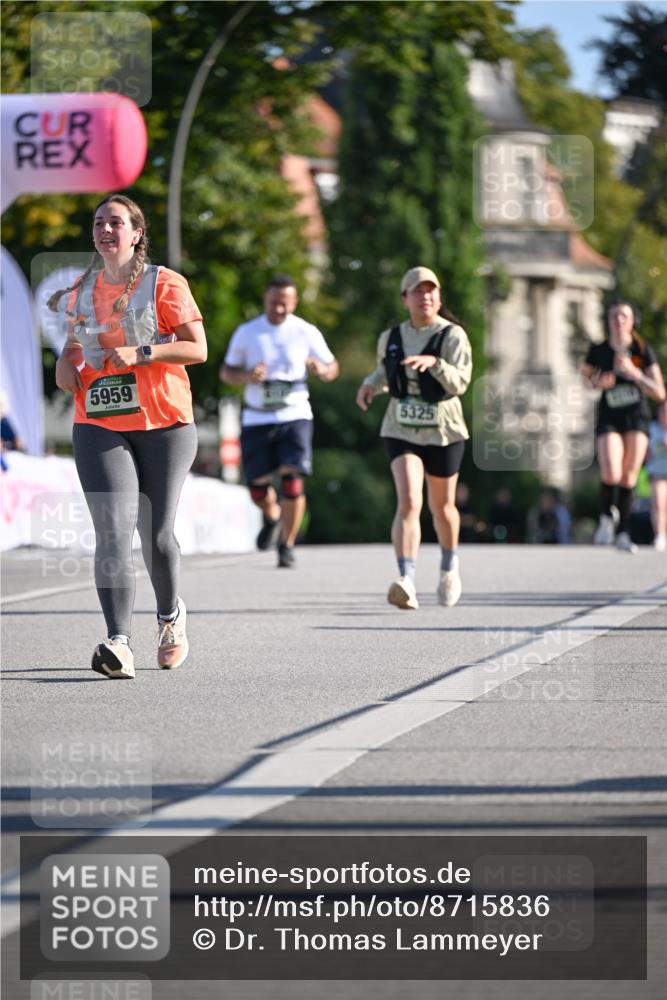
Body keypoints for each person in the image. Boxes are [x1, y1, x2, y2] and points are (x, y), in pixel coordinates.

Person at [52, 193, 207, 679]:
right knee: (113, 534)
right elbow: (72, 350)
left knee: (156, 537)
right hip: (99, 423)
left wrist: (143, 354)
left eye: (116, 222)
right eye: (99, 222)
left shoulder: (165, 283)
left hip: (164, 423)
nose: (105, 230)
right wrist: (65, 367)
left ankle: (169, 617)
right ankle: (118, 641)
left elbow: (197, 348)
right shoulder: (79, 292)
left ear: (136, 233)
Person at [356, 266, 472, 609]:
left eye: (431, 290)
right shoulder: (391, 337)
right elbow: (384, 371)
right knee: (409, 501)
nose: (426, 297)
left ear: (439, 296)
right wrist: (369, 385)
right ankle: (406, 579)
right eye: (418, 291)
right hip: (401, 426)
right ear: (405, 298)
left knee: (443, 507)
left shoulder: (453, 336)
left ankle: (449, 567)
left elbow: (461, 383)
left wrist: (435, 363)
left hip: (444, 428)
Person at [221, 275, 338, 567]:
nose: (279, 310)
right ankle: (272, 515)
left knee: (292, 482)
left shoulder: (305, 331)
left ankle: (286, 544)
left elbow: (332, 366)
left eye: (285, 304)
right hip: (257, 417)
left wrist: (322, 369)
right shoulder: (248, 332)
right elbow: (227, 372)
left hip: (294, 414)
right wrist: (248, 376)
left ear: (294, 302)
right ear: (266, 300)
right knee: (258, 488)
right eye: (274, 303)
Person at [581, 302, 665, 554]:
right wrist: (597, 382)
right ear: (608, 320)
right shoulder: (598, 350)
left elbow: (660, 392)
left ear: (632, 321)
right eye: (614, 315)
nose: (619, 320)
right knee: (610, 471)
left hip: (636, 418)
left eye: (624, 316)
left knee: (629, 476)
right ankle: (607, 517)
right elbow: (584, 380)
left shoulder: (642, 350)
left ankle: (623, 533)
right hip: (610, 417)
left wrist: (635, 374)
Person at [646, 400, 667, 552]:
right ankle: (660, 535)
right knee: (659, 503)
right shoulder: (652, 428)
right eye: (664, 411)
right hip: (657, 472)